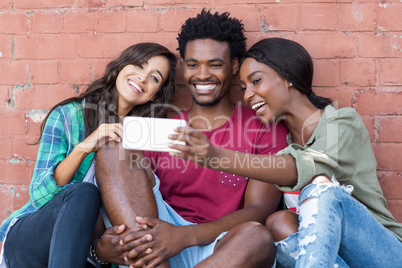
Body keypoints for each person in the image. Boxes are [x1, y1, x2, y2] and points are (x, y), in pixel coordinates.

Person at [168, 37, 402, 267]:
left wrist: (216, 157)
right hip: (328, 258)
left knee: (320, 187)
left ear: (287, 77)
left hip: (382, 254)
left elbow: (297, 168)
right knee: (280, 223)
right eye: (244, 87)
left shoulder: (341, 122)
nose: (248, 95)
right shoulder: (283, 144)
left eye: (256, 81)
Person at [93, 9, 289, 268]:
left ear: (234, 66)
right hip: (156, 242)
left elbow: (259, 210)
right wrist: (100, 248)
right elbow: (123, 197)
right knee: (112, 150)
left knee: (257, 237)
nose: (202, 75)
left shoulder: (263, 126)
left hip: (220, 248)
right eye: (193, 64)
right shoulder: (161, 128)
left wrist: (184, 237)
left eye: (215, 64)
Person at [0, 42, 177, 268]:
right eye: (139, 66)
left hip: (91, 255)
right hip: (33, 243)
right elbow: (40, 195)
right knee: (85, 192)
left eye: (154, 78)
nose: (142, 78)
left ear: (155, 95)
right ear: (121, 67)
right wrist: (84, 147)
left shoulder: (146, 140)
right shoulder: (68, 116)